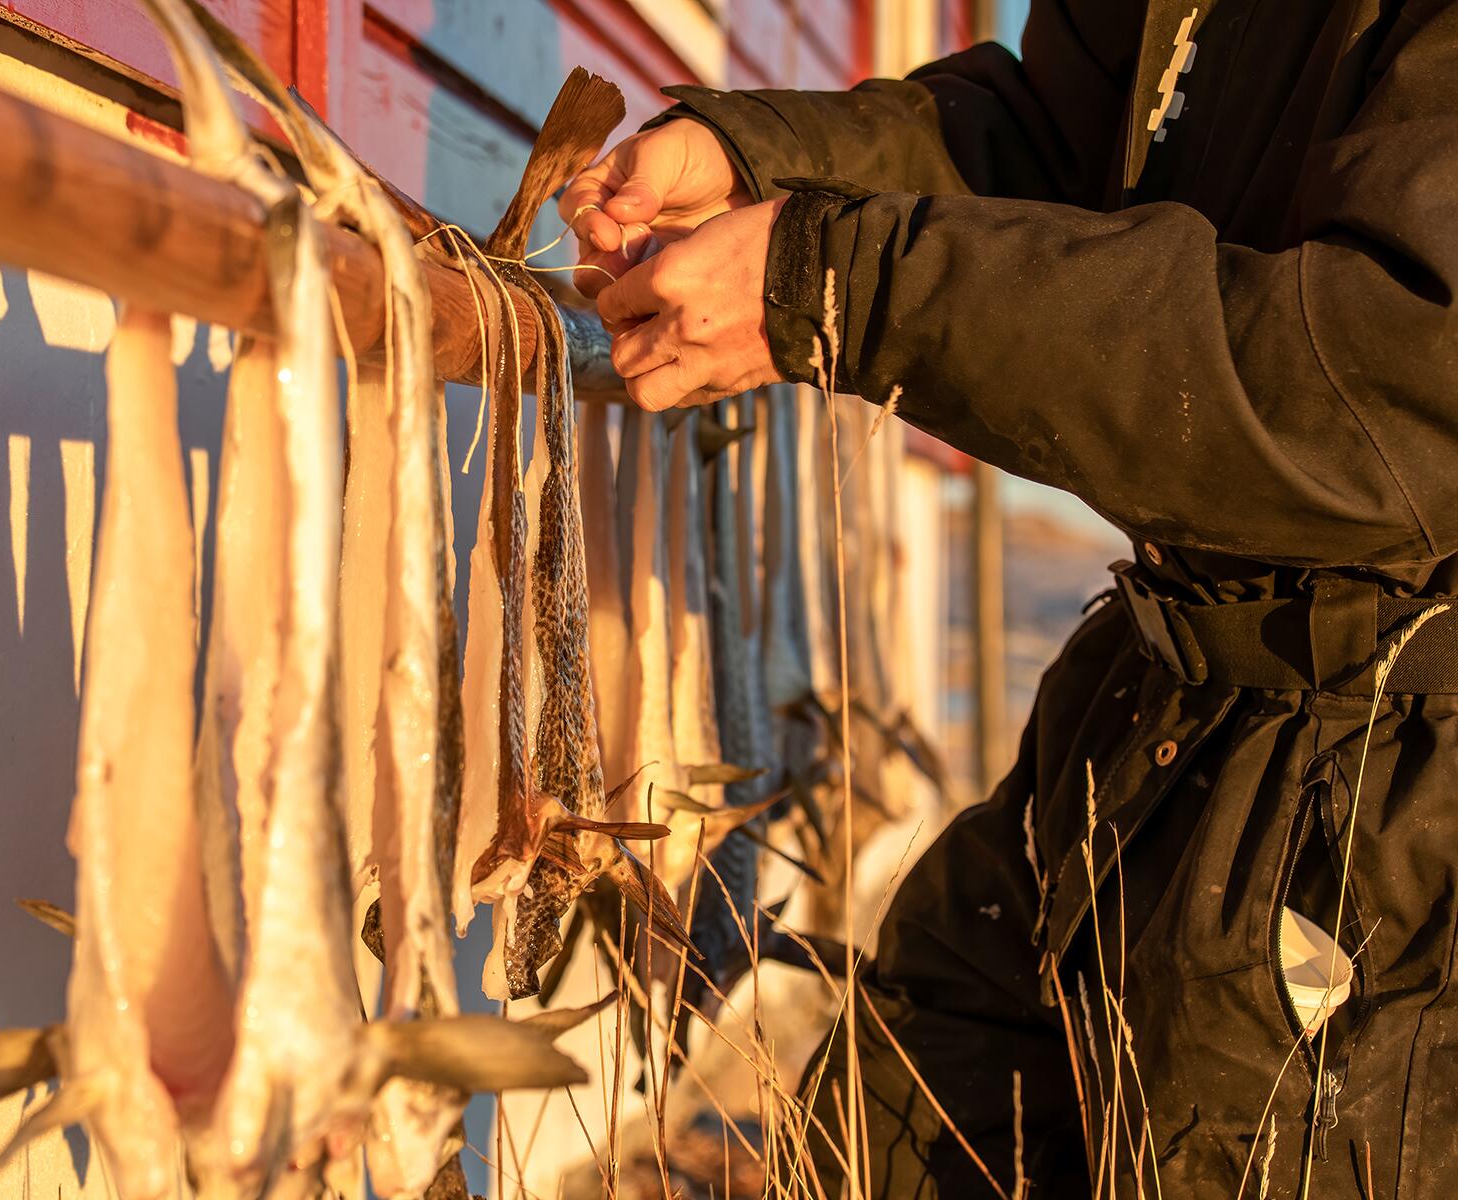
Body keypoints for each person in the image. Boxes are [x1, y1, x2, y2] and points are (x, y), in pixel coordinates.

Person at [559, 2, 1458, 1195]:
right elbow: (1040, 149)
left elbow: (1386, 384)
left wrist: (834, 275)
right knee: (870, 1146)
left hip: (1395, 827)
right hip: (1141, 720)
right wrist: (754, 156)